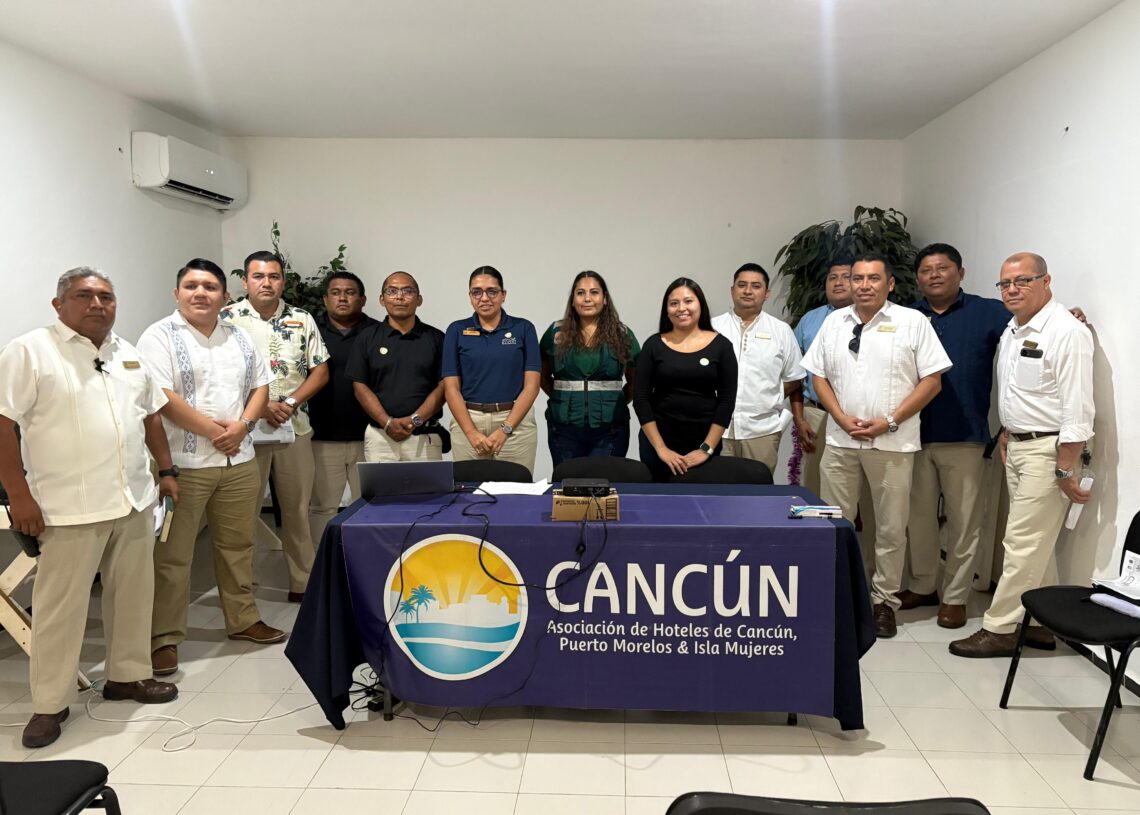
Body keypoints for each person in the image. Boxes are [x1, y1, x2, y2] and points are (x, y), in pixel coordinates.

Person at [0, 267, 179, 748]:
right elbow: (2, 424)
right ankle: (50, 703)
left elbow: (151, 417)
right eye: (84, 296)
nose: (97, 304)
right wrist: (19, 495)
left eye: (106, 296)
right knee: (60, 610)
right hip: (67, 507)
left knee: (133, 596)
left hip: (133, 499)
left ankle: (127, 676)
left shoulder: (127, 353)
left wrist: (166, 472)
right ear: (59, 304)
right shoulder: (30, 351)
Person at [138, 258, 282, 678]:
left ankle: (243, 619)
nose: (200, 293)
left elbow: (261, 386)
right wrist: (217, 432)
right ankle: (164, 638)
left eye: (210, 287)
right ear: (176, 293)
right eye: (191, 286)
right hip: (183, 466)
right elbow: (161, 397)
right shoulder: (158, 336)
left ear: (224, 296)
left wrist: (243, 427)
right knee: (172, 555)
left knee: (238, 546)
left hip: (239, 462)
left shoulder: (238, 336)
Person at [950, 253, 1094, 658]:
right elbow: (1019, 393)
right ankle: (1041, 625)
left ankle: (999, 628)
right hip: (1017, 445)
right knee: (1034, 543)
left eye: (1023, 281)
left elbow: (1078, 408)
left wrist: (1065, 467)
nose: (1012, 290)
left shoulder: (1066, 332)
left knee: (1021, 542)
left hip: (1049, 452)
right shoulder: (1013, 329)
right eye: (1005, 283)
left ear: (1046, 281)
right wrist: (1007, 431)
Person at [801, 253, 951, 638]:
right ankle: (835, 596)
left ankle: (884, 601)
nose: (864, 285)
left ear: (890, 284)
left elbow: (932, 381)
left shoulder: (912, 322)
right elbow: (818, 376)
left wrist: (891, 421)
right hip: (841, 441)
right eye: (858, 278)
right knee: (835, 522)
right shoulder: (835, 322)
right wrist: (838, 416)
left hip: (893, 443)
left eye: (873, 278)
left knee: (890, 528)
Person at [901, 244, 1013, 628]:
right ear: (917, 278)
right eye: (926, 270)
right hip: (912, 434)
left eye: (943, 268)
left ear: (960, 273)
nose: (934, 275)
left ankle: (955, 597)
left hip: (965, 434)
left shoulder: (989, 312)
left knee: (964, 521)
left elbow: (1031, 322)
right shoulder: (907, 317)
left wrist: (1070, 315)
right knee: (918, 519)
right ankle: (923, 585)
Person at [221, 250, 329, 603]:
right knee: (243, 513)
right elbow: (219, 374)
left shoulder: (302, 318)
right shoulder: (227, 318)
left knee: (297, 511)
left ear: (283, 281)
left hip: (293, 428)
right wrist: (261, 406)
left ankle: (303, 583)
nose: (266, 283)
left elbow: (320, 370)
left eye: (273, 276)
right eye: (258, 276)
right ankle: (243, 588)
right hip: (244, 431)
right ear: (245, 281)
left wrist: (291, 402)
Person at [633, 277, 738, 481]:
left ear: (700, 304)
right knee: (657, 499)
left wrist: (706, 449)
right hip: (658, 447)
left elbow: (726, 401)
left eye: (688, 301)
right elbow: (641, 399)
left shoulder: (722, 346)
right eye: (674, 303)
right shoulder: (653, 345)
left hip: (703, 445)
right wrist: (661, 449)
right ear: (666, 310)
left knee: (701, 500)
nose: (682, 308)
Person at [442, 266, 541, 475]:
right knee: (467, 491)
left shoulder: (523, 328)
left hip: (515, 423)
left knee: (515, 490)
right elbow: (451, 388)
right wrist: (471, 432)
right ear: (470, 296)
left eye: (492, 291)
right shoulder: (456, 330)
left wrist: (505, 429)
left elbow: (532, 387)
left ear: (503, 295)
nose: (484, 298)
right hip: (468, 422)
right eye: (477, 292)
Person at [307, 271, 379, 548]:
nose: (343, 298)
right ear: (325, 299)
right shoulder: (310, 332)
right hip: (322, 436)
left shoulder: (377, 332)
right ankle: (322, 563)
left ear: (362, 299)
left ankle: (364, 560)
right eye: (336, 292)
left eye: (350, 292)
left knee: (370, 506)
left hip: (369, 436)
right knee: (321, 507)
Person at [711, 263, 805, 474]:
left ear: (767, 293)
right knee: (716, 489)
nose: (747, 291)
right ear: (732, 290)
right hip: (715, 430)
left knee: (758, 488)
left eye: (755, 286)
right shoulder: (712, 328)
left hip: (762, 432)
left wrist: (770, 395)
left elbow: (795, 376)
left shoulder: (781, 331)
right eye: (742, 285)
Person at [540, 271, 640, 467]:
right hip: (564, 429)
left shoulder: (622, 334)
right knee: (567, 483)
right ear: (573, 300)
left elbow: (636, 381)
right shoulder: (555, 333)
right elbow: (540, 376)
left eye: (594, 292)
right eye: (580, 293)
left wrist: (613, 401)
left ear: (604, 298)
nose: (587, 299)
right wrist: (563, 399)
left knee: (605, 482)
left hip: (610, 429)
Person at [348, 271, 447, 461]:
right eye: (392, 291)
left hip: (424, 436)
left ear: (419, 300)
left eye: (407, 291)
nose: (400, 297)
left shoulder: (437, 338)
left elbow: (444, 386)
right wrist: (386, 422)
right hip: (380, 437)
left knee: (429, 483)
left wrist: (415, 420)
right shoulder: (366, 338)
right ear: (382, 299)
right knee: (381, 483)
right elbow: (360, 386)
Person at [792, 258, 852, 494]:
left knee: (857, 487)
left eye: (846, 277)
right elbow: (794, 375)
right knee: (814, 483)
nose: (838, 282)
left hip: (857, 416)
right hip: (817, 414)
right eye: (832, 277)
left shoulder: (871, 319)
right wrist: (800, 419)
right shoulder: (810, 320)